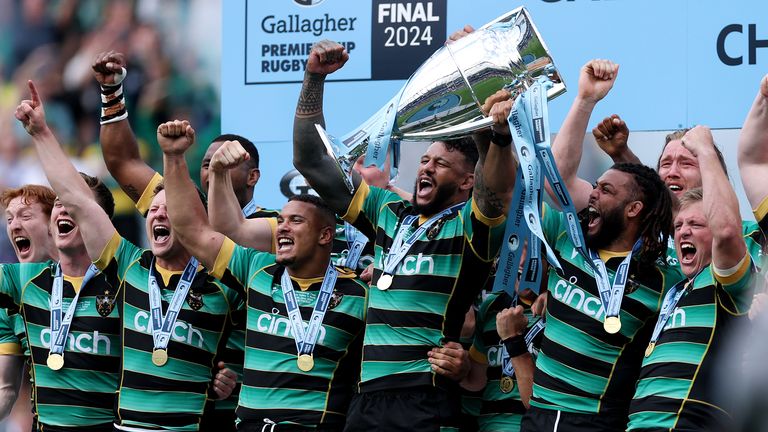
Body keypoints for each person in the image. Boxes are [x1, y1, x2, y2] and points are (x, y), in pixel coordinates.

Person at [293, 40, 516, 430]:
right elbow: (310, 159)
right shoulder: (386, 211)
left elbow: (495, 190)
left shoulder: (469, 227)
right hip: (367, 398)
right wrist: (314, 78)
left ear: (466, 180)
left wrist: (494, 132)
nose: (426, 169)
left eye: (441, 164)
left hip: (425, 395)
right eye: (424, 160)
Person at [15, 80, 239, 432]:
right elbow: (76, 198)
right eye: (153, 209)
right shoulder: (129, 268)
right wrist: (41, 132)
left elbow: (250, 353)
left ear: (194, 221)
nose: (158, 215)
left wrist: (230, 376)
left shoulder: (224, 283)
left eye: (171, 210)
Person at [157, 119, 367, 430]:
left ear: (326, 235)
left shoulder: (359, 296)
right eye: (280, 220)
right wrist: (174, 158)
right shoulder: (256, 271)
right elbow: (192, 231)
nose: (281, 226)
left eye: (296, 221)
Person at [92, 50, 248, 429]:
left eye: (224, 160)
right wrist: (112, 92)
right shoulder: (177, 204)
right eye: (207, 163)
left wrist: (235, 375)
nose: (213, 169)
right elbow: (122, 162)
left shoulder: (269, 229)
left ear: (253, 173)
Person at [6, 83, 121, 431]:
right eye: (57, 203)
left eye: (72, 205)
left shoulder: (127, 279)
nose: (63, 209)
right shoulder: (16, 283)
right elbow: (6, 386)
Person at [627, 126, 755, 431]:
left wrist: (705, 148)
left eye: (697, 223)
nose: (683, 230)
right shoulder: (675, 285)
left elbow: (726, 231)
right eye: (678, 225)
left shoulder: (726, 273)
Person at [0, 185, 57, 421]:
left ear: (53, 224)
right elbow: (6, 388)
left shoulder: (101, 277)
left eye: (26, 216)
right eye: (10, 219)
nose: (14, 225)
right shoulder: (11, 289)